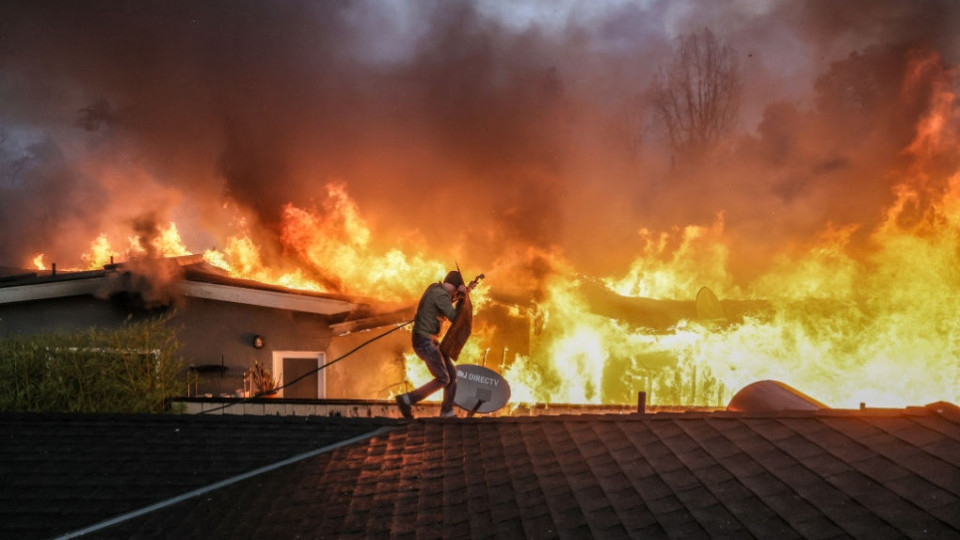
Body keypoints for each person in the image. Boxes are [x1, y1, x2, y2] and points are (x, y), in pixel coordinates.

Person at [395, 270, 467, 419]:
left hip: (430, 340)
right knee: (443, 378)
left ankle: (447, 412)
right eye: (455, 291)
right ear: (454, 287)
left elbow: (445, 305)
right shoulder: (441, 295)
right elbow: (455, 317)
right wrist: (462, 298)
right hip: (424, 340)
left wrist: (460, 295)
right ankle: (407, 400)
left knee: (452, 375)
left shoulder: (436, 290)